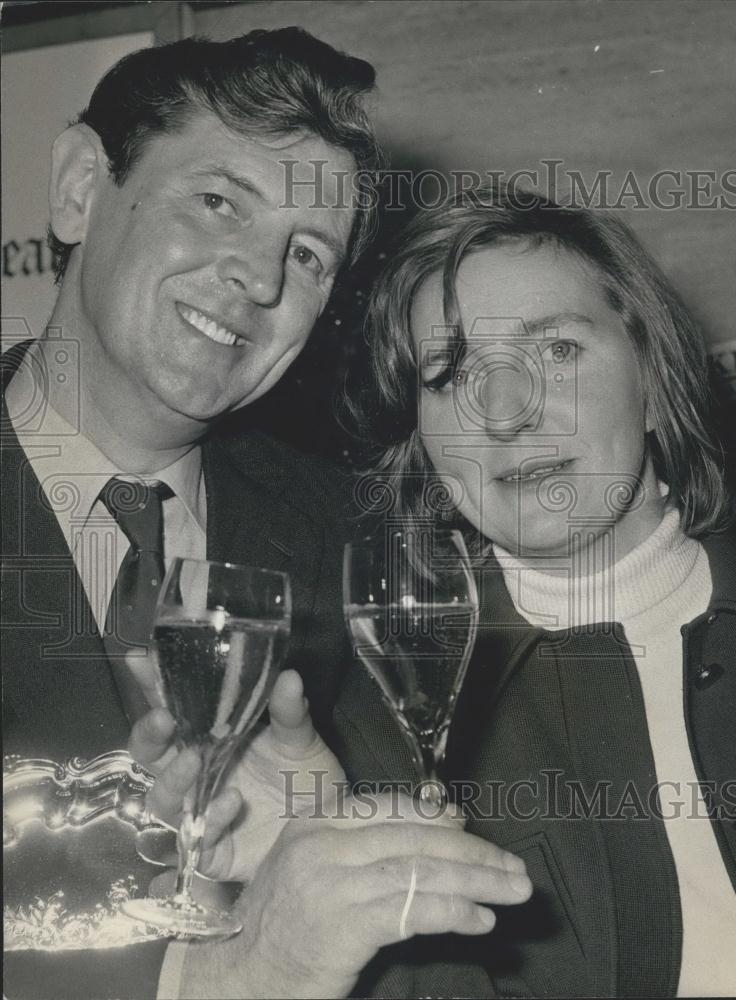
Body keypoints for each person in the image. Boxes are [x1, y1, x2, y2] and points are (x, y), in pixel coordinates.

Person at [1, 35, 531, 1000]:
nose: (258, 279)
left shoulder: (372, 554)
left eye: (307, 253)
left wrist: (321, 845)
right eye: (217, 203)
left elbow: (465, 962)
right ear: (81, 187)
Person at [334, 185, 736, 997]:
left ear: (653, 379)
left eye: (556, 352)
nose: (505, 413)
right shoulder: (375, 734)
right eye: (450, 373)